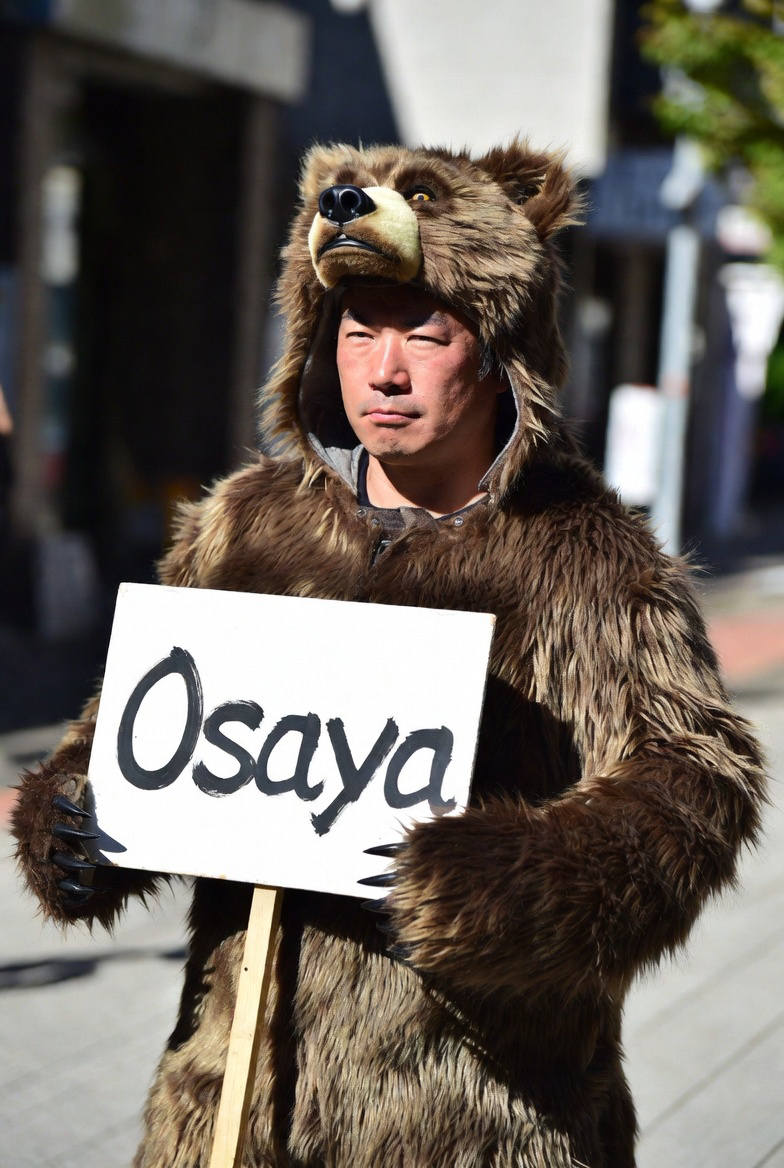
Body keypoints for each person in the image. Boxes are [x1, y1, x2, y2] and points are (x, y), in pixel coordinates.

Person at [13, 140, 766, 1168]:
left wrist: (496, 885)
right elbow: (129, 735)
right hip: (235, 1104)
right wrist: (73, 814)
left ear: (498, 351)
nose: (386, 369)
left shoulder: (589, 556)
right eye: (360, 330)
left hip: (480, 1118)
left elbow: (696, 790)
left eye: (426, 332)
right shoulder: (244, 525)